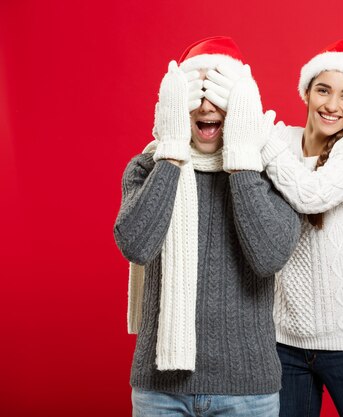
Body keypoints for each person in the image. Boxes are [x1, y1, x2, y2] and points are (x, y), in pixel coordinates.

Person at [113, 36, 300, 417]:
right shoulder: (147, 167)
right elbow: (136, 244)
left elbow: (269, 257)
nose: (206, 105)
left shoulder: (274, 173)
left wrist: (243, 158)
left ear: (241, 106)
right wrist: (170, 151)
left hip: (247, 391)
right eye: (195, 92)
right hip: (159, 391)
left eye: (219, 92)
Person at [206, 40, 343, 417]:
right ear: (306, 91)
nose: (332, 105)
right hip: (281, 341)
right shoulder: (279, 139)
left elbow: (311, 195)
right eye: (323, 89)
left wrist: (263, 138)